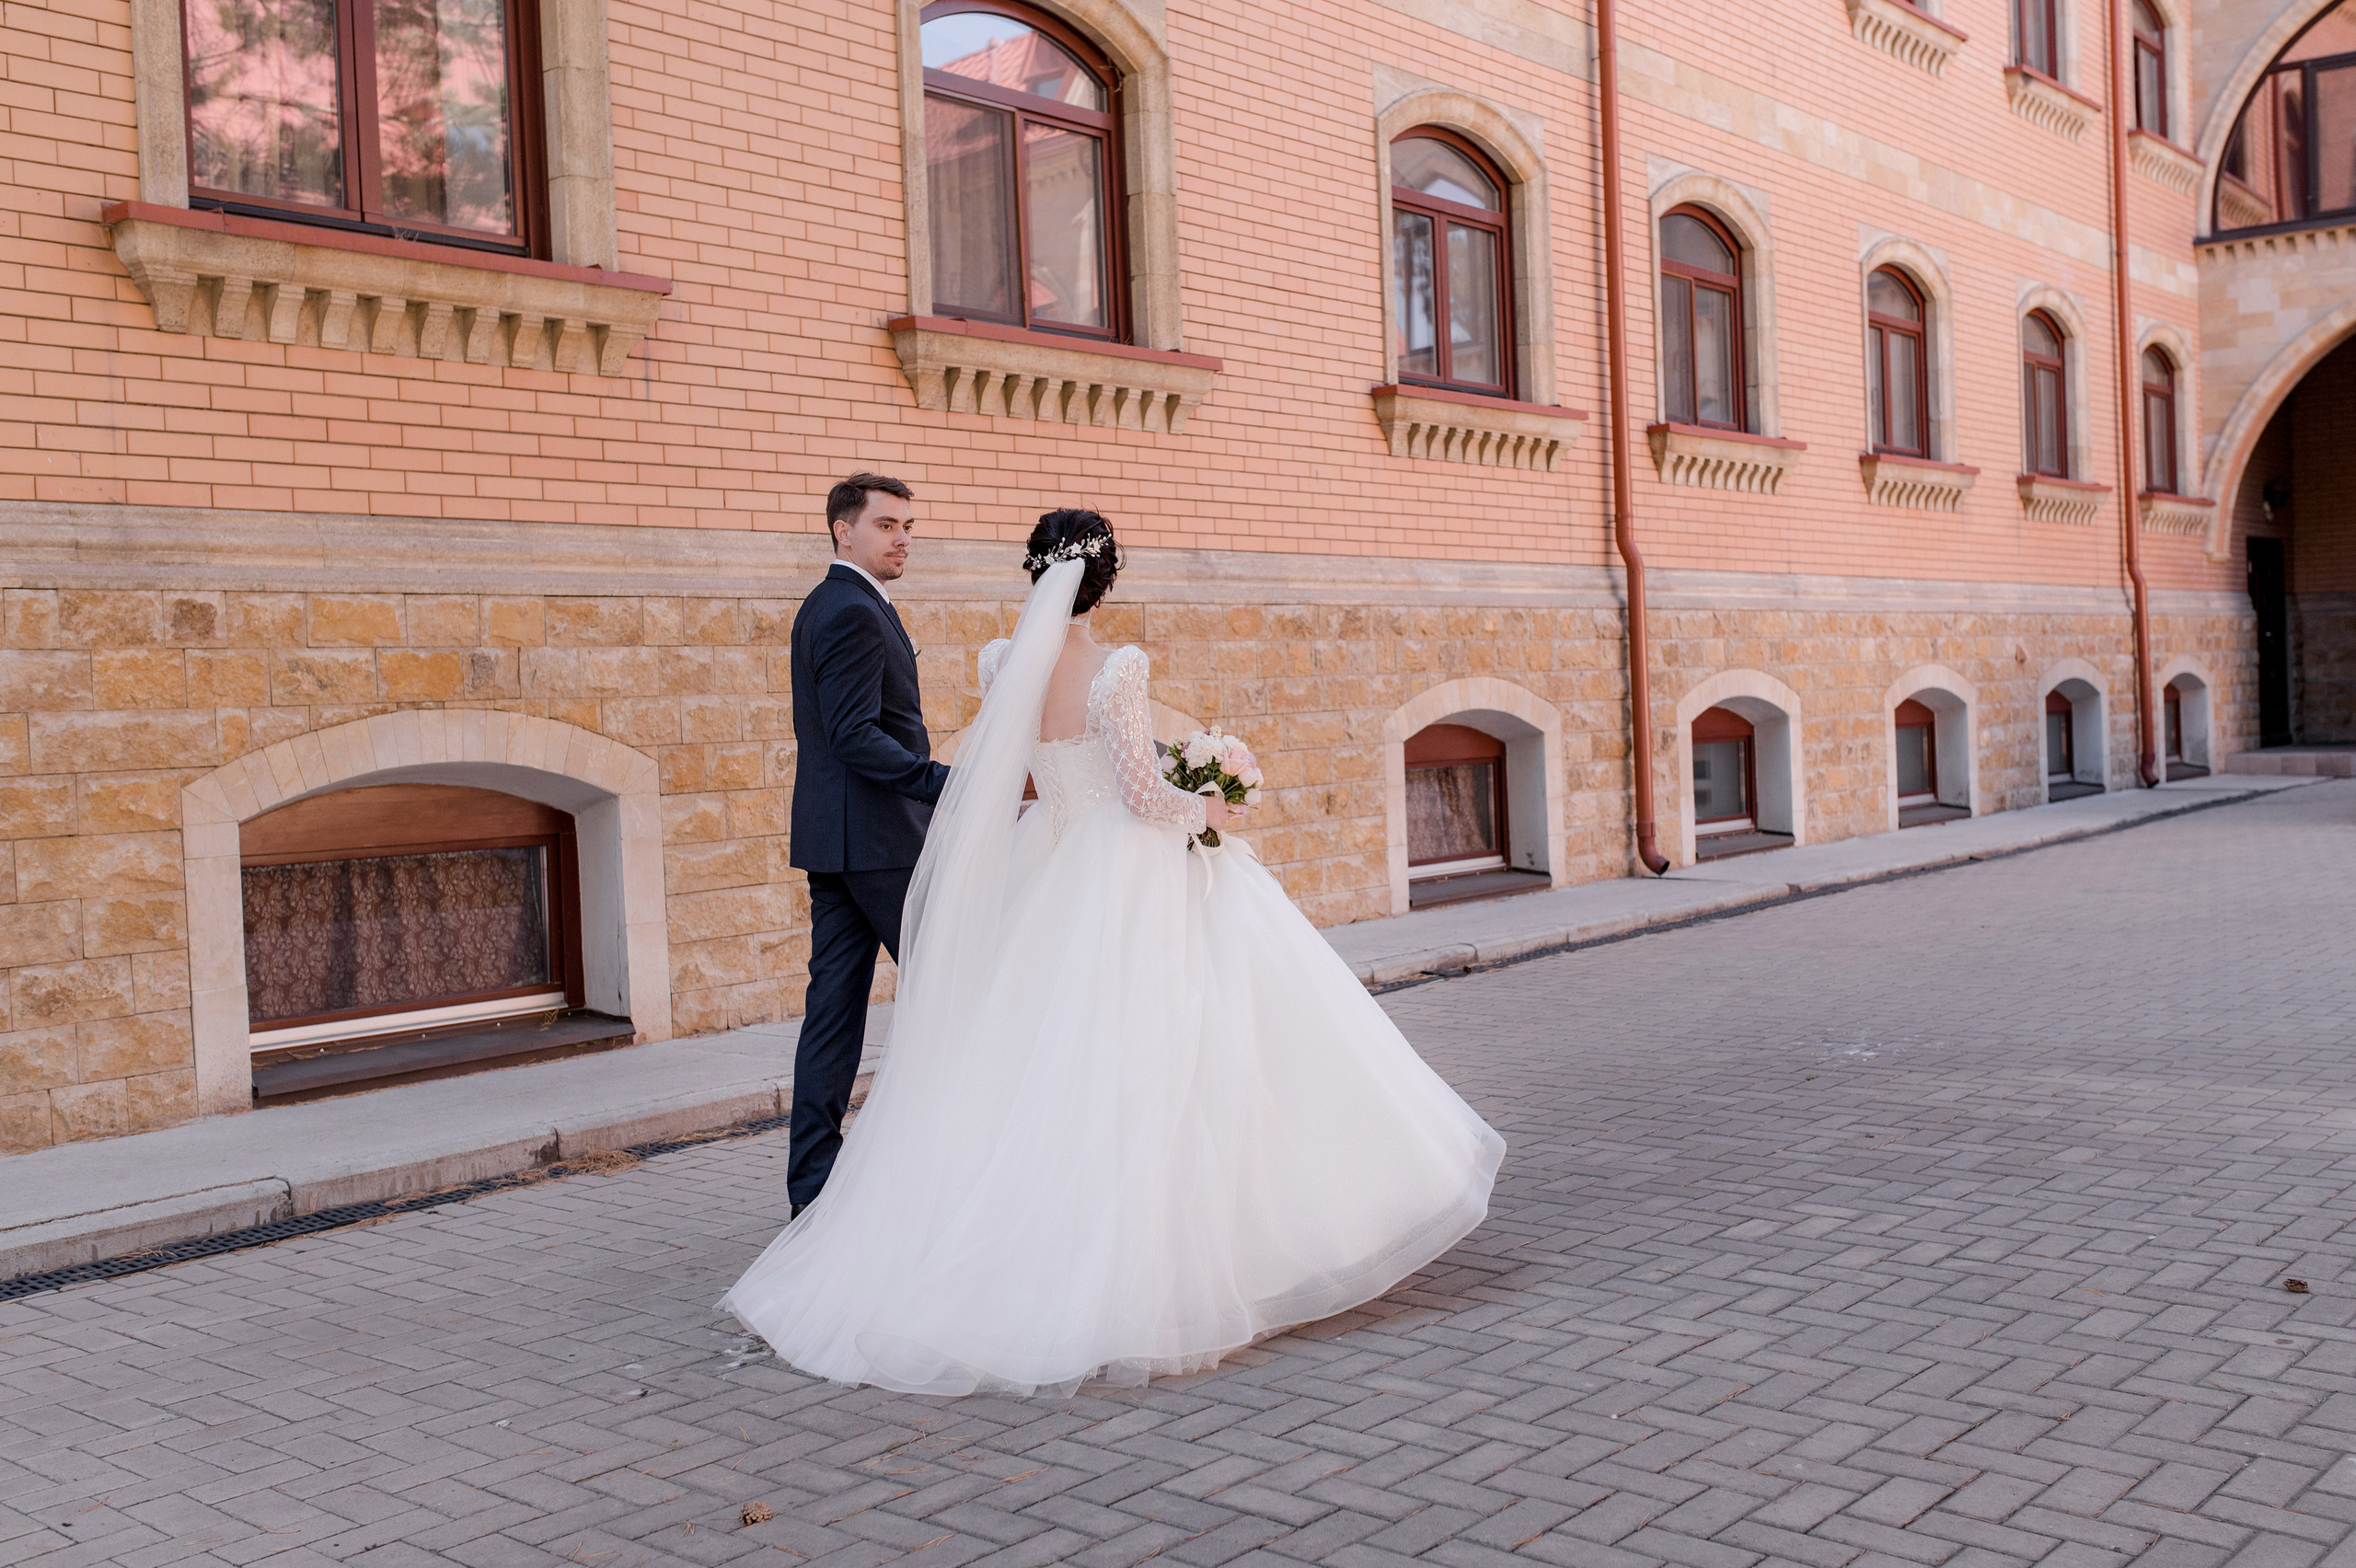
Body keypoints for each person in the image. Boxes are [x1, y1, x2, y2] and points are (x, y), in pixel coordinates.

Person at [726, 509, 1504, 1396]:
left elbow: (1023, 775)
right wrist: (1209, 804)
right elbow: (1138, 793)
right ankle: (1178, 1256)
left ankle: (1005, 1240)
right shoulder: (1117, 667)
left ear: (1036, 571)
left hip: (1044, 858)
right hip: (1120, 867)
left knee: (1028, 1061)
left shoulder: (996, 661)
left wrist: (1152, 777)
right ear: (1108, 579)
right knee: (1171, 1045)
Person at [783, 473, 948, 1217]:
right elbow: (853, 735)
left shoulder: (831, 603)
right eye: (886, 525)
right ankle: (947, 1171)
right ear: (842, 531)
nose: (903, 537)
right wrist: (945, 784)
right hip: (879, 843)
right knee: (958, 997)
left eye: (907, 524)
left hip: (835, 841)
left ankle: (813, 1196)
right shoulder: (850, 610)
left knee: (834, 1018)